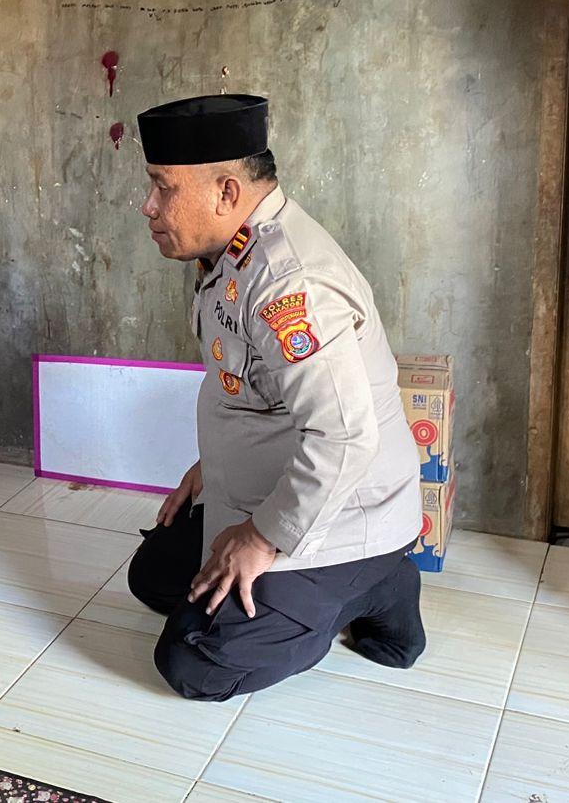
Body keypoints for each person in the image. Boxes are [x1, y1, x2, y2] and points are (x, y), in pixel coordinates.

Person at [127, 94, 427, 702]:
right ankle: (318, 580)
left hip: (343, 515)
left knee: (194, 665)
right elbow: (251, 386)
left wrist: (261, 540)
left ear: (227, 193)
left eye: (163, 189)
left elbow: (343, 438)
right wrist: (211, 466)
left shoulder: (293, 285)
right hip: (266, 488)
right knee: (155, 573)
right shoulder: (229, 253)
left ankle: (380, 579)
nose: (149, 207)